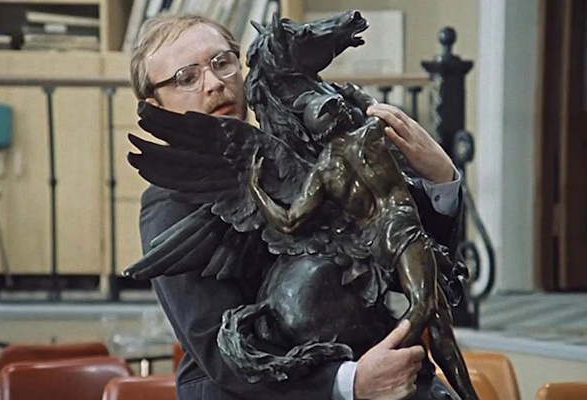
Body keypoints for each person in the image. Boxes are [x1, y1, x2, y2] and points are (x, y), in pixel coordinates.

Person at [129, 13, 462, 400]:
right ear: (155, 105)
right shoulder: (170, 201)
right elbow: (219, 351)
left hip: (386, 370)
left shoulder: (304, 148)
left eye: (222, 62)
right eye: (187, 77)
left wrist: (441, 177)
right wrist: (349, 381)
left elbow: (413, 253)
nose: (215, 82)